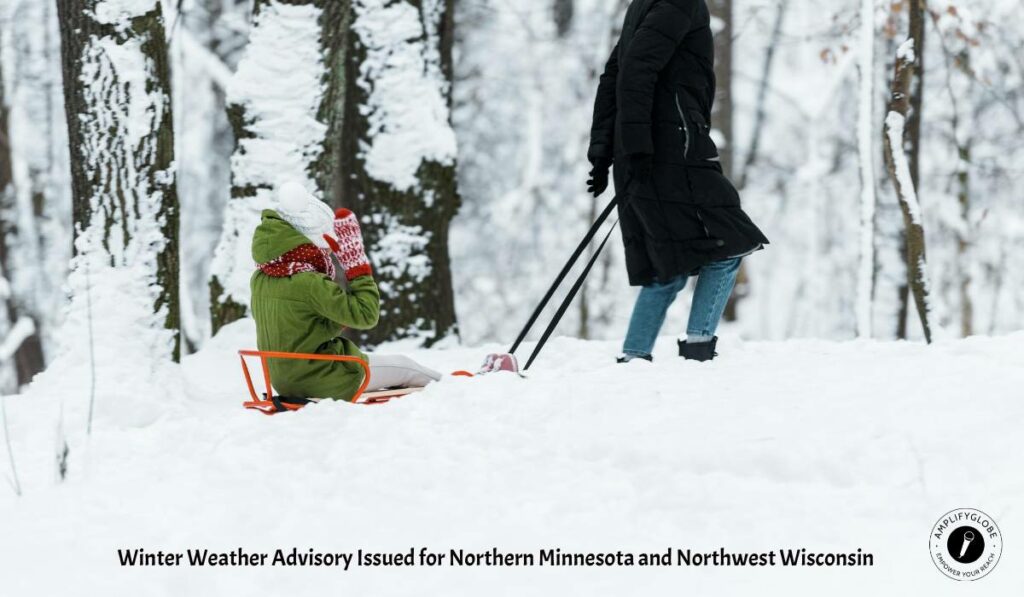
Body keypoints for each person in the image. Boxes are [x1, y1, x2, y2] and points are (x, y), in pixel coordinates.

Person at [587, 0, 769, 363]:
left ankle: (635, 358)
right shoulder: (677, 2)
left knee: (664, 264)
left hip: (647, 150)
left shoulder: (646, 5)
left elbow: (614, 75)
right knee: (731, 243)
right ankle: (698, 351)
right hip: (671, 151)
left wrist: (605, 152)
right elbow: (633, 70)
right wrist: (633, 147)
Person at [250, 181, 441, 401]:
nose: (329, 252)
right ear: (309, 240)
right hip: (322, 378)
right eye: (326, 244)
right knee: (406, 367)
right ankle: (456, 386)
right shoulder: (309, 282)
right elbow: (366, 315)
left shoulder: (262, 277)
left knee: (389, 364)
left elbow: (301, 326)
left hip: (284, 380)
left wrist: (336, 315)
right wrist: (357, 267)